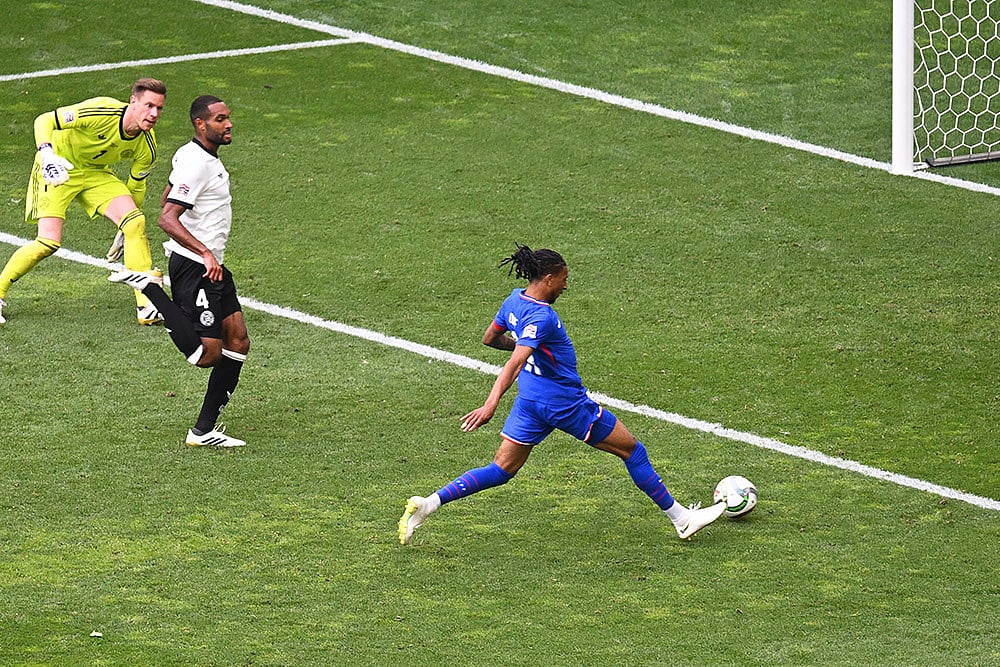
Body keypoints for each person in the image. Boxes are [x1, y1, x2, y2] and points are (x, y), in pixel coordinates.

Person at [399, 244, 728, 545]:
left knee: (502, 469)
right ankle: (682, 519)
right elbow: (514, 362)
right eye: (564, 279)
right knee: (632, 450)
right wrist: (490, 403)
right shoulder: (543, 317)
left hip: (530, 402)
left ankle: (430, 503)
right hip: (565, 404)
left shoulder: (513, 301)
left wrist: (532, 350)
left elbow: (490, 339)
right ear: (549, 278)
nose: (566, 286)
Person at [108, 95, 249, 448]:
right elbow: (167, 217)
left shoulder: (192, 156)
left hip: (211, 264)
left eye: (228, 118)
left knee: (239, 340)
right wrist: (204, 252)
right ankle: (152, 291)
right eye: (220, 119)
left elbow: (169, 195)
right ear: (201, 124)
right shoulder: (198, 163)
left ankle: (202, 432)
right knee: (206, 354)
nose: (228, 124)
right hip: (196, 266)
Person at [0, 78, 167, 325]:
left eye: (159, 108)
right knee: (48, 242)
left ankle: (146, 306)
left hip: (94, 172)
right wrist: (46, 153)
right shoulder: (102, 111)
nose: (154, 114)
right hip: (58, 166)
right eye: (149, 105)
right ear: (133, 101)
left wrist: (126, 229)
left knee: (135, 223)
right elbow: (45, 119)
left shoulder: (148, 145)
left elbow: (137, 186)